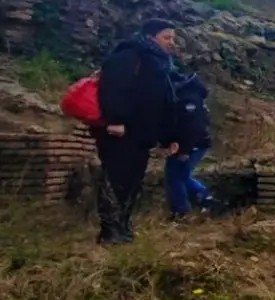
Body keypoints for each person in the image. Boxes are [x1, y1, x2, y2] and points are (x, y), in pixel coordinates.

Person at [92, 19, 178, 245]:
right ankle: (109, 232)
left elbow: (163, 103)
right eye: (167, 37)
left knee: (133, 181)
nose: (172, 43)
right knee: (115, 179)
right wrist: (116, 119)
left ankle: (124, 228)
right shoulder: (130, 55)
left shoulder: (161, 65)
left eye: (173, 38)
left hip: (142, 135)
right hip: (120, 132)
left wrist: (168, 137)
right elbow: (113, 88)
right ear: (151, 37)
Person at [163, 72, 221, 221]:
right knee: (182, 175)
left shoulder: (188, 99)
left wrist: (184, 150)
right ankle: (205, 197)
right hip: (189, 143)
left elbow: (193, 127)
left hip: (192, 145)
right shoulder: (184, 96)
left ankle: (181, 212)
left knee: (175, 176)